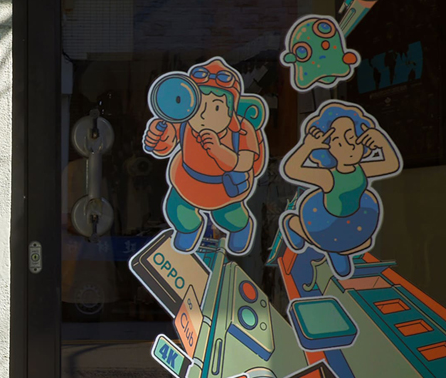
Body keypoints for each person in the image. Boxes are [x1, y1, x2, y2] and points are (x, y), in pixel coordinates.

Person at [142, 58, 267, 255]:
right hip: (187, 182)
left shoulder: (243, 129)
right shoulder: (183, 122)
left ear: (231, 112)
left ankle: (241, 228)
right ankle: (188, 230)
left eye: (216, 107)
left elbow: (246, 163)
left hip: (224, 189)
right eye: (199, 107)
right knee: (178, 210)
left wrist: (219, 151)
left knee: (228, 217)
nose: (204, 116)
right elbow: (163, 149)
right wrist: (155, 137)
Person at [280, 100, 401, 281]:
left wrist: (381, 141)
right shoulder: (328, 178)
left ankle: (337, 251)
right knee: (326, 241)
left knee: (363, 242)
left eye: (351, 137)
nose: (348, 145)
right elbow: (291, 170)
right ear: (328, 149)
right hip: (327, 222)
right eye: (338, 142)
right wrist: (308, 146)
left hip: (355, 217)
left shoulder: (362, 170)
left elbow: (392, 164)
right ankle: (292, 224)